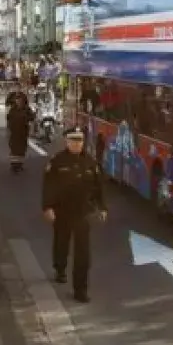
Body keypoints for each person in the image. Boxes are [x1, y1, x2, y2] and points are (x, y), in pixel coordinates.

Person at [41, 126, 107, 303]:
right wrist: (48, 207)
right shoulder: (57, 161)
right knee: (61, 242)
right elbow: (48, 186)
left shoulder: (91, 162)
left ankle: (80, 289)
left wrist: (102, 208)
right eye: (74, 140)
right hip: (62, 211)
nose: (77, 144)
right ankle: (60, 268)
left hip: (83, 213)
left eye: (80, 140)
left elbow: (98, 187)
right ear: (67, 141)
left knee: (83, 254)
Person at [6, 91, 34, 173]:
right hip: (14, 132)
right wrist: (7, 130)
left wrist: (32, 130)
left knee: (22, 148)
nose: (18, 101)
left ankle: (19, 164)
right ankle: (14, 164)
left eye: (20, 99)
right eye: (17, 99)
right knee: (13, 148)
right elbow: (8, 120)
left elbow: (31, 120)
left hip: (23, 132)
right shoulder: (12, 109)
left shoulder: (27, 109)